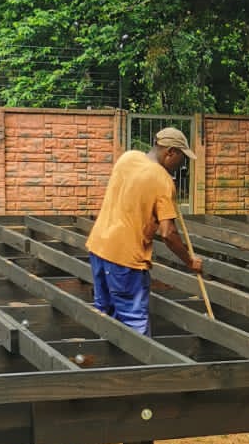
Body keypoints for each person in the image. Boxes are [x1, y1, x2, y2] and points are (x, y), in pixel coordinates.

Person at [85, 126, 203, 334]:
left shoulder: (128, 157)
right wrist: (190, 261)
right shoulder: (163, 180)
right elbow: (168, 234)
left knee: (105, 313)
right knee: (134, 322)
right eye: (182, 159)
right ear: (170, 153)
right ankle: (141, 366)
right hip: (125, 258)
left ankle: (112, 364)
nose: (181, 165)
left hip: (99, 247)